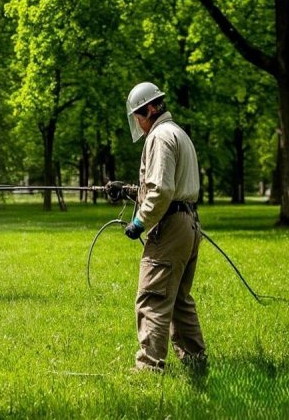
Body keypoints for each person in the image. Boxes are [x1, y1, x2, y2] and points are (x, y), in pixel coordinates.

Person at [123, 82, 206, 373]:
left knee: (152, 296)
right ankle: (195, 362)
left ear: (148, 110)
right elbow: (168, 187)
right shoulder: (178, 133)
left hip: (171, 227)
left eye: (138, 117)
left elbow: (161, 191)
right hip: (189, 224)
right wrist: (131, 192)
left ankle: (148, 367)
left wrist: (138, 222)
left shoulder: (159, 137)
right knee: (179, 300)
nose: (138, 123)